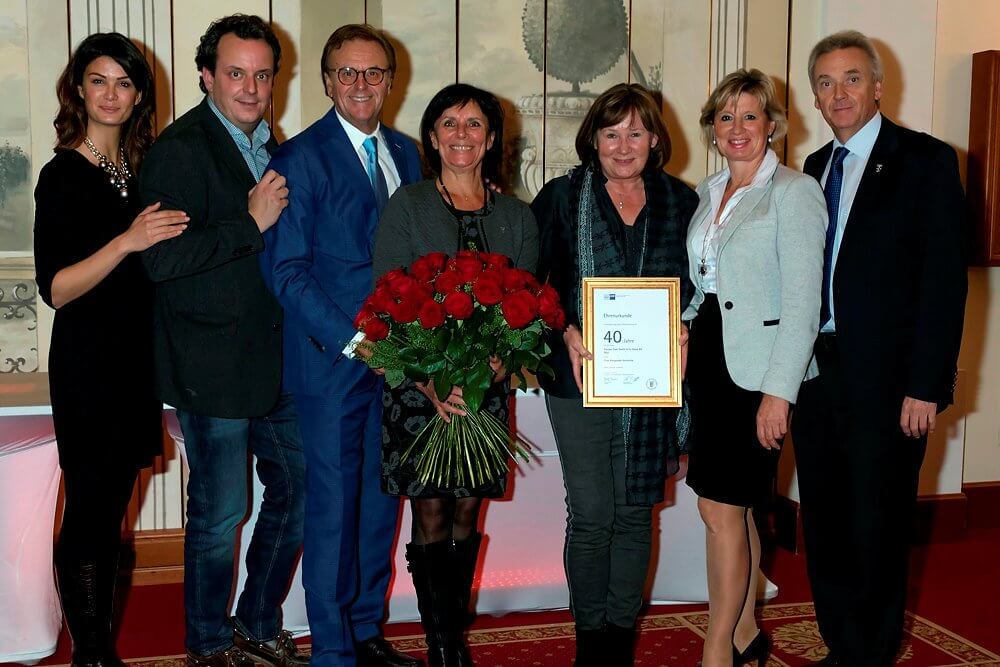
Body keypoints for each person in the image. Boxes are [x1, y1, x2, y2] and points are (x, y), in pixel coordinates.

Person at [792, 31, 967, 667]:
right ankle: (842, 648)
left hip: (891, 384)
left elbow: (944, 284)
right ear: (814, 94)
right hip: (815, 377)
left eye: (852, 79)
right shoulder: (811, 170)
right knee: (827, 525)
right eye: (826, 82)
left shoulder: (926, 161)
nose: (839, 93)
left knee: (878, 529)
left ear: (878, 85)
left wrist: (927, 382)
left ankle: (871, 656)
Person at [139, 15, 308, 667]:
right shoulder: (181, 149)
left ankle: (256, 620)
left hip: (278, 359)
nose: (251, 87)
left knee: (299, 488)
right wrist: (250, 221)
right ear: (207, 75)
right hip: (211, 365)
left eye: (262, 74)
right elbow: (162, 260)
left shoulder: (273, 142)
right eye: (236, 73)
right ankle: (207, 645)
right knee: (221, 513)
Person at [260, 24, 423, 667]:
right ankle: (332, 650)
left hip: (400, 364)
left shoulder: (407, 155)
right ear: (327, 81)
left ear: (391, 81)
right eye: (347, 73)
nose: (361, 84)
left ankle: (364, 630)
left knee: (381, 507)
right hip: (332, 364)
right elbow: (286, 272)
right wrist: (355, 342)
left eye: (374, 73)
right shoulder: (298, 159)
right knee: (332, 513)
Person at [32, 32, 188, 667]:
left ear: (140, 94)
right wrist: (127, 241)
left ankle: (99, 648)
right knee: (91, 512)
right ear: (78, 89)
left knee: (113, 508)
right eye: (99, 81)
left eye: (125, 83)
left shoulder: (143, 171)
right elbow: (58, 287)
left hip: (134, 363)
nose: (112, 94)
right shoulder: (63, 174)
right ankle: (91, 655)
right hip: (88, 365)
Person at [372, 83, 539, 667]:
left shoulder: (518, 216)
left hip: (484, 390)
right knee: (432, 509)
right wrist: (430, 382)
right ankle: (441, 644)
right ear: (432, 136)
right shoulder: (408, 205)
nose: (461, 135)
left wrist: (498, 363)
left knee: (469, 506)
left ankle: (455, 632)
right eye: (449, 123)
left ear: (491, 139)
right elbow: (386, 302)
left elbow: (530, 311)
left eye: (474, 125)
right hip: (421, 393)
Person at [531, 83, 697, 667]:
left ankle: (618, 645)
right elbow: (532, 287)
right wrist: (567, 329)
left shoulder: (682, 201)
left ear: (655, 139)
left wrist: (685, 326)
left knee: (633, 513)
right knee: (593, 511)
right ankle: (590, 643)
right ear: (592, 140)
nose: (623, 145)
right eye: (611, 132)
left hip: (651, 379)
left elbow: (699, 287)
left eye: (635, 132)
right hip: (578, 379)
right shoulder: (559, 198)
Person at [684, 69, 826, 667]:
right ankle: (745, 633)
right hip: (711, 363)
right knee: (722, 505)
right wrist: (686, 321)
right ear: (712, 130)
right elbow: (710, 285)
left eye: (749, 115)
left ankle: (717, 649)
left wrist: (779, 394)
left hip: (760, 373)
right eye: (725, 117)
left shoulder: (794, 192)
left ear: (771, 125)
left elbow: (803, 303)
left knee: (722, 508)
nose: (737, 128)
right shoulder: (707, 191)